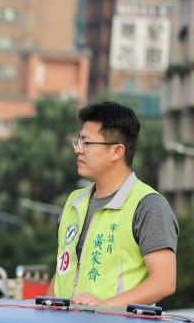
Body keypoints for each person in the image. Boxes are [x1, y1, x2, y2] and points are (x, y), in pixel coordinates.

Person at [47, 102, 177, 307]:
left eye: (87, 143)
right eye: (78, 142)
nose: (78, 150)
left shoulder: (148, 205)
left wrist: (104, 306)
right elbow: (64, 271)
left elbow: (164, 282)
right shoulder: (75, 201)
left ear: (117, 151)